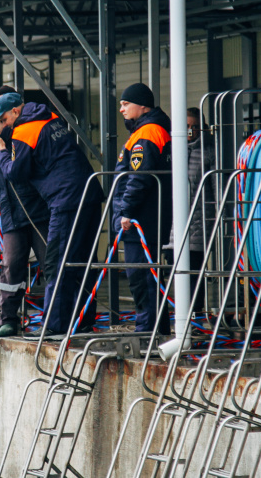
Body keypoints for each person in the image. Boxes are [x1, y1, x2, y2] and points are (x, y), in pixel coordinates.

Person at [0, 92, 105, 336]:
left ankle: (54, 325)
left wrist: (1, 150)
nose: (5, 126)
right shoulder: (50, 117)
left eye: (5, 120)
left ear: (16, 113)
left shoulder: (24, 131)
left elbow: (15, 172)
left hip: (66, 199)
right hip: (89, 193)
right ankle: (82, 319)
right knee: (82, 260)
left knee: (56, 263)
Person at [0, 86, 50, 337]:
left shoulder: (24, 136)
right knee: (11, 267)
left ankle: (56, 318)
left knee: (50, 262)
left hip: (39, 212)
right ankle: (8, 319)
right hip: (10, 216)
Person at [113, 83, 173, 334]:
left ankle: (147, 330)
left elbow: (139, 176)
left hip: (142, 214)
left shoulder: (148, 132)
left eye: (126, 104)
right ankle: (155, 327)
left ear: (143, 106)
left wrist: (126, 211)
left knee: (140, 274)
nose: (121, 109)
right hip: (145, 212)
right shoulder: (144, 130)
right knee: (143, 272)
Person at [164, 107, 217, 313]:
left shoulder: (209, 152)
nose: (190, 131)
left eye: (195, 126)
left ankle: (194, 317)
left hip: (197, 223)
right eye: (186, 126)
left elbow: (218, 189)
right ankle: (178, 317)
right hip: (172, 227)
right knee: (172, 272)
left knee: (194, 275)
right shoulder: (170, 151)